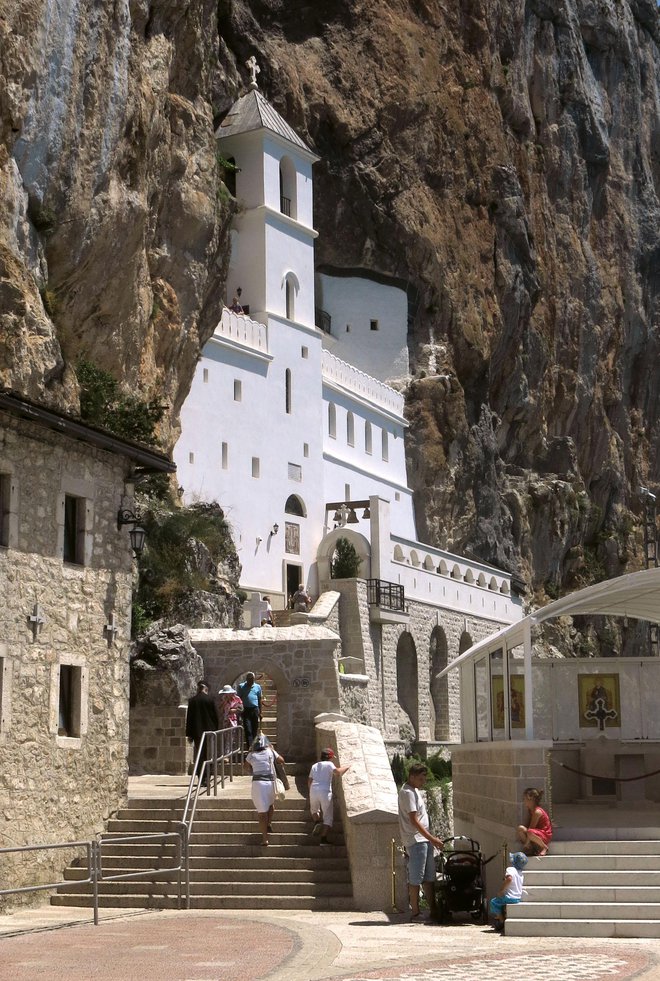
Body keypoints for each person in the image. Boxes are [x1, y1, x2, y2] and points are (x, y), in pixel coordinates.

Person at [398, 762, 442, 920]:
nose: (423, 782)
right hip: (416, 840)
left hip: (424, 839)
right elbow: (414, 820)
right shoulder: (408, 793)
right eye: (421, 778)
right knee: (416, 877)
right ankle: (415, 911)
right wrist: (432, 838)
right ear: (412, 777)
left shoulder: (414, 790)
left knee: (429, 876)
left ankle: (433, 908)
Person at [245, 734, 285, 845]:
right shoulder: (270, 752)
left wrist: (254, 770)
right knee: (271, 804)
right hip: (270, 782)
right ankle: (269, 823)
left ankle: (265, 839)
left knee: (262, 813)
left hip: (258, 783)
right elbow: (281, 760)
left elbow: (246, 767)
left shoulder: (251, 755)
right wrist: (273, 750)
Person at [308, 748, 350, 846]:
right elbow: (337, 772)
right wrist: (347, 766)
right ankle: (323, 839)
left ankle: (317, 821)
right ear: (330, 757)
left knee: (314, 810)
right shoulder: (329, 764)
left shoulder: (314, 766)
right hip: (325, 791)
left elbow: (309, 780)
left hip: (313, 790)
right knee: (328, 817)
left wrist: (311, 791)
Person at [185, 681, 219, 790]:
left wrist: (189, 734)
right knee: (209, 755)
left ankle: (201, 777)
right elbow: (215, 717)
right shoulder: (210, 700)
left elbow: (189, 719)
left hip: (197, 733)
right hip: (209, 733)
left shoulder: (192, 701)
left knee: (199, 755)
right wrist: (216, 731)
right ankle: (207, 778)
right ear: (206, 689)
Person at [489, 851, 527, 931]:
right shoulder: (520, 873)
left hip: (509, 897)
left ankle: (501, 920)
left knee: (494, 902)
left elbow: (509, 879)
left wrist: (502, 890)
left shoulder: (511, 869)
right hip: (517, 897)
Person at [516, 787, 553, 856]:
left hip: (544, 835)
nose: (524, 801)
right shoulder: (531, 810)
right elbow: (527, 826)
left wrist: (526, 843)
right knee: (520, 829)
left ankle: (544, 847)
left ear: (531, 799)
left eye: (525, 799)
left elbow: (531, 828)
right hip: (536, 833)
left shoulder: (537, 812)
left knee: (530, 832)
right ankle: (531, 848)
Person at [237, 671, 262, 750]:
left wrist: (260, 712)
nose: (251, 681)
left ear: (254, 679)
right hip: (246, 710)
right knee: (248, 729)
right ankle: (250, 748)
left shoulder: (257, 687)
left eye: (252, 679)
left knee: (254, 729)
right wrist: (240, 710)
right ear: (247, 679)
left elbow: (259, 699)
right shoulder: (241, 686)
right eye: (249, 679)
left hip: (255, 709)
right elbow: (239, 699)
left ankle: (254, 747)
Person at [217, 684, 243, 754]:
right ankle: (228, 752)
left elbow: (241, 709)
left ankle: (227, 753)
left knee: (230, 736)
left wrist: (233, 710)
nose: (226, 694)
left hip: (233, 719)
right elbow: (220, 709)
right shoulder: (223, 699)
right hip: (225, 719)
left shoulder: (237, 699)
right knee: (226, 736)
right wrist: (224, 703)